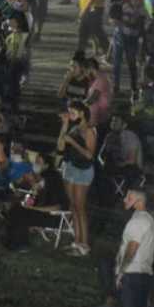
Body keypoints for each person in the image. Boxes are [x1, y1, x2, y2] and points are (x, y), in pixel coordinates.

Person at [114, 189, 154, 307]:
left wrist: (122, 271)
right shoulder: (148, 219)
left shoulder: (137, 221)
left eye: (129, 197)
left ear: (139, 200)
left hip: (132, 273)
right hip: (145, 273)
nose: (125, 199)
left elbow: (132, 247)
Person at [56, 100, 96, 256]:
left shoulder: (89, 131)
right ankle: (76, 241)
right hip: (69, 167)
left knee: (80, 207)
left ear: (82, 113)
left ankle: (84, 245)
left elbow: (89, 155)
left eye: (73, 112)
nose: (70, 114)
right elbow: (60, 146)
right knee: (73, 206)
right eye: (69, 111)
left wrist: (73, 142)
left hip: (83, 170)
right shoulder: (73, 128)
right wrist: (64, 125)